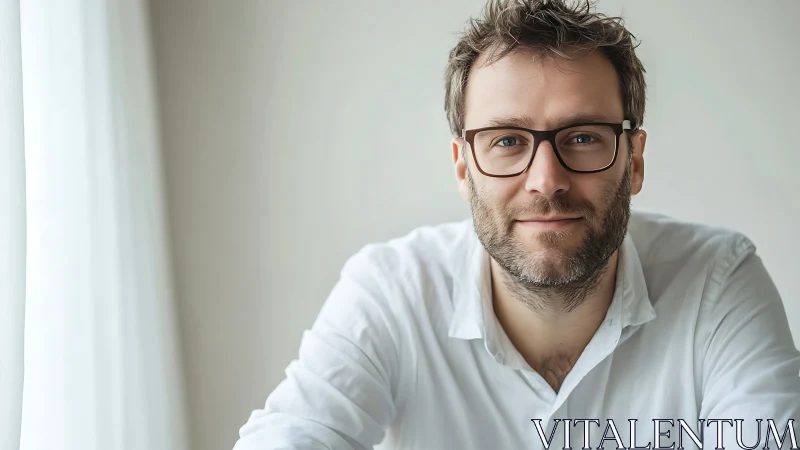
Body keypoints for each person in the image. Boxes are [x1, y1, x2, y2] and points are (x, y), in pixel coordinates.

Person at [233, 1, 800, 448]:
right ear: (463, 166)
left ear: (635, 160)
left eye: (582, 137)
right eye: (507, 140)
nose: (545, 180)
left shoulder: (718, 282)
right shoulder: (391, 292)